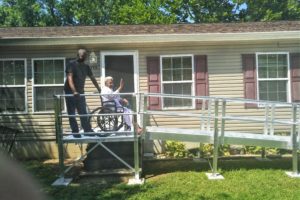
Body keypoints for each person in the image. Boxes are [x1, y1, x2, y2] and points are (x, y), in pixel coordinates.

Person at [64, 49, 101, 138]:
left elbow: (92, 78)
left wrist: (99, 88)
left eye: (84, 56)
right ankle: (75, 131)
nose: (83, 57)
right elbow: (70, 78)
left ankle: (87, 130)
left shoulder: (86, 67)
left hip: (80, 92)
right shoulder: (71, 64)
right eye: (81, 55)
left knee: (83, 111)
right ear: (78, 55)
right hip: (70, 91)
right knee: (72, 112)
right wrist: (74, 91)